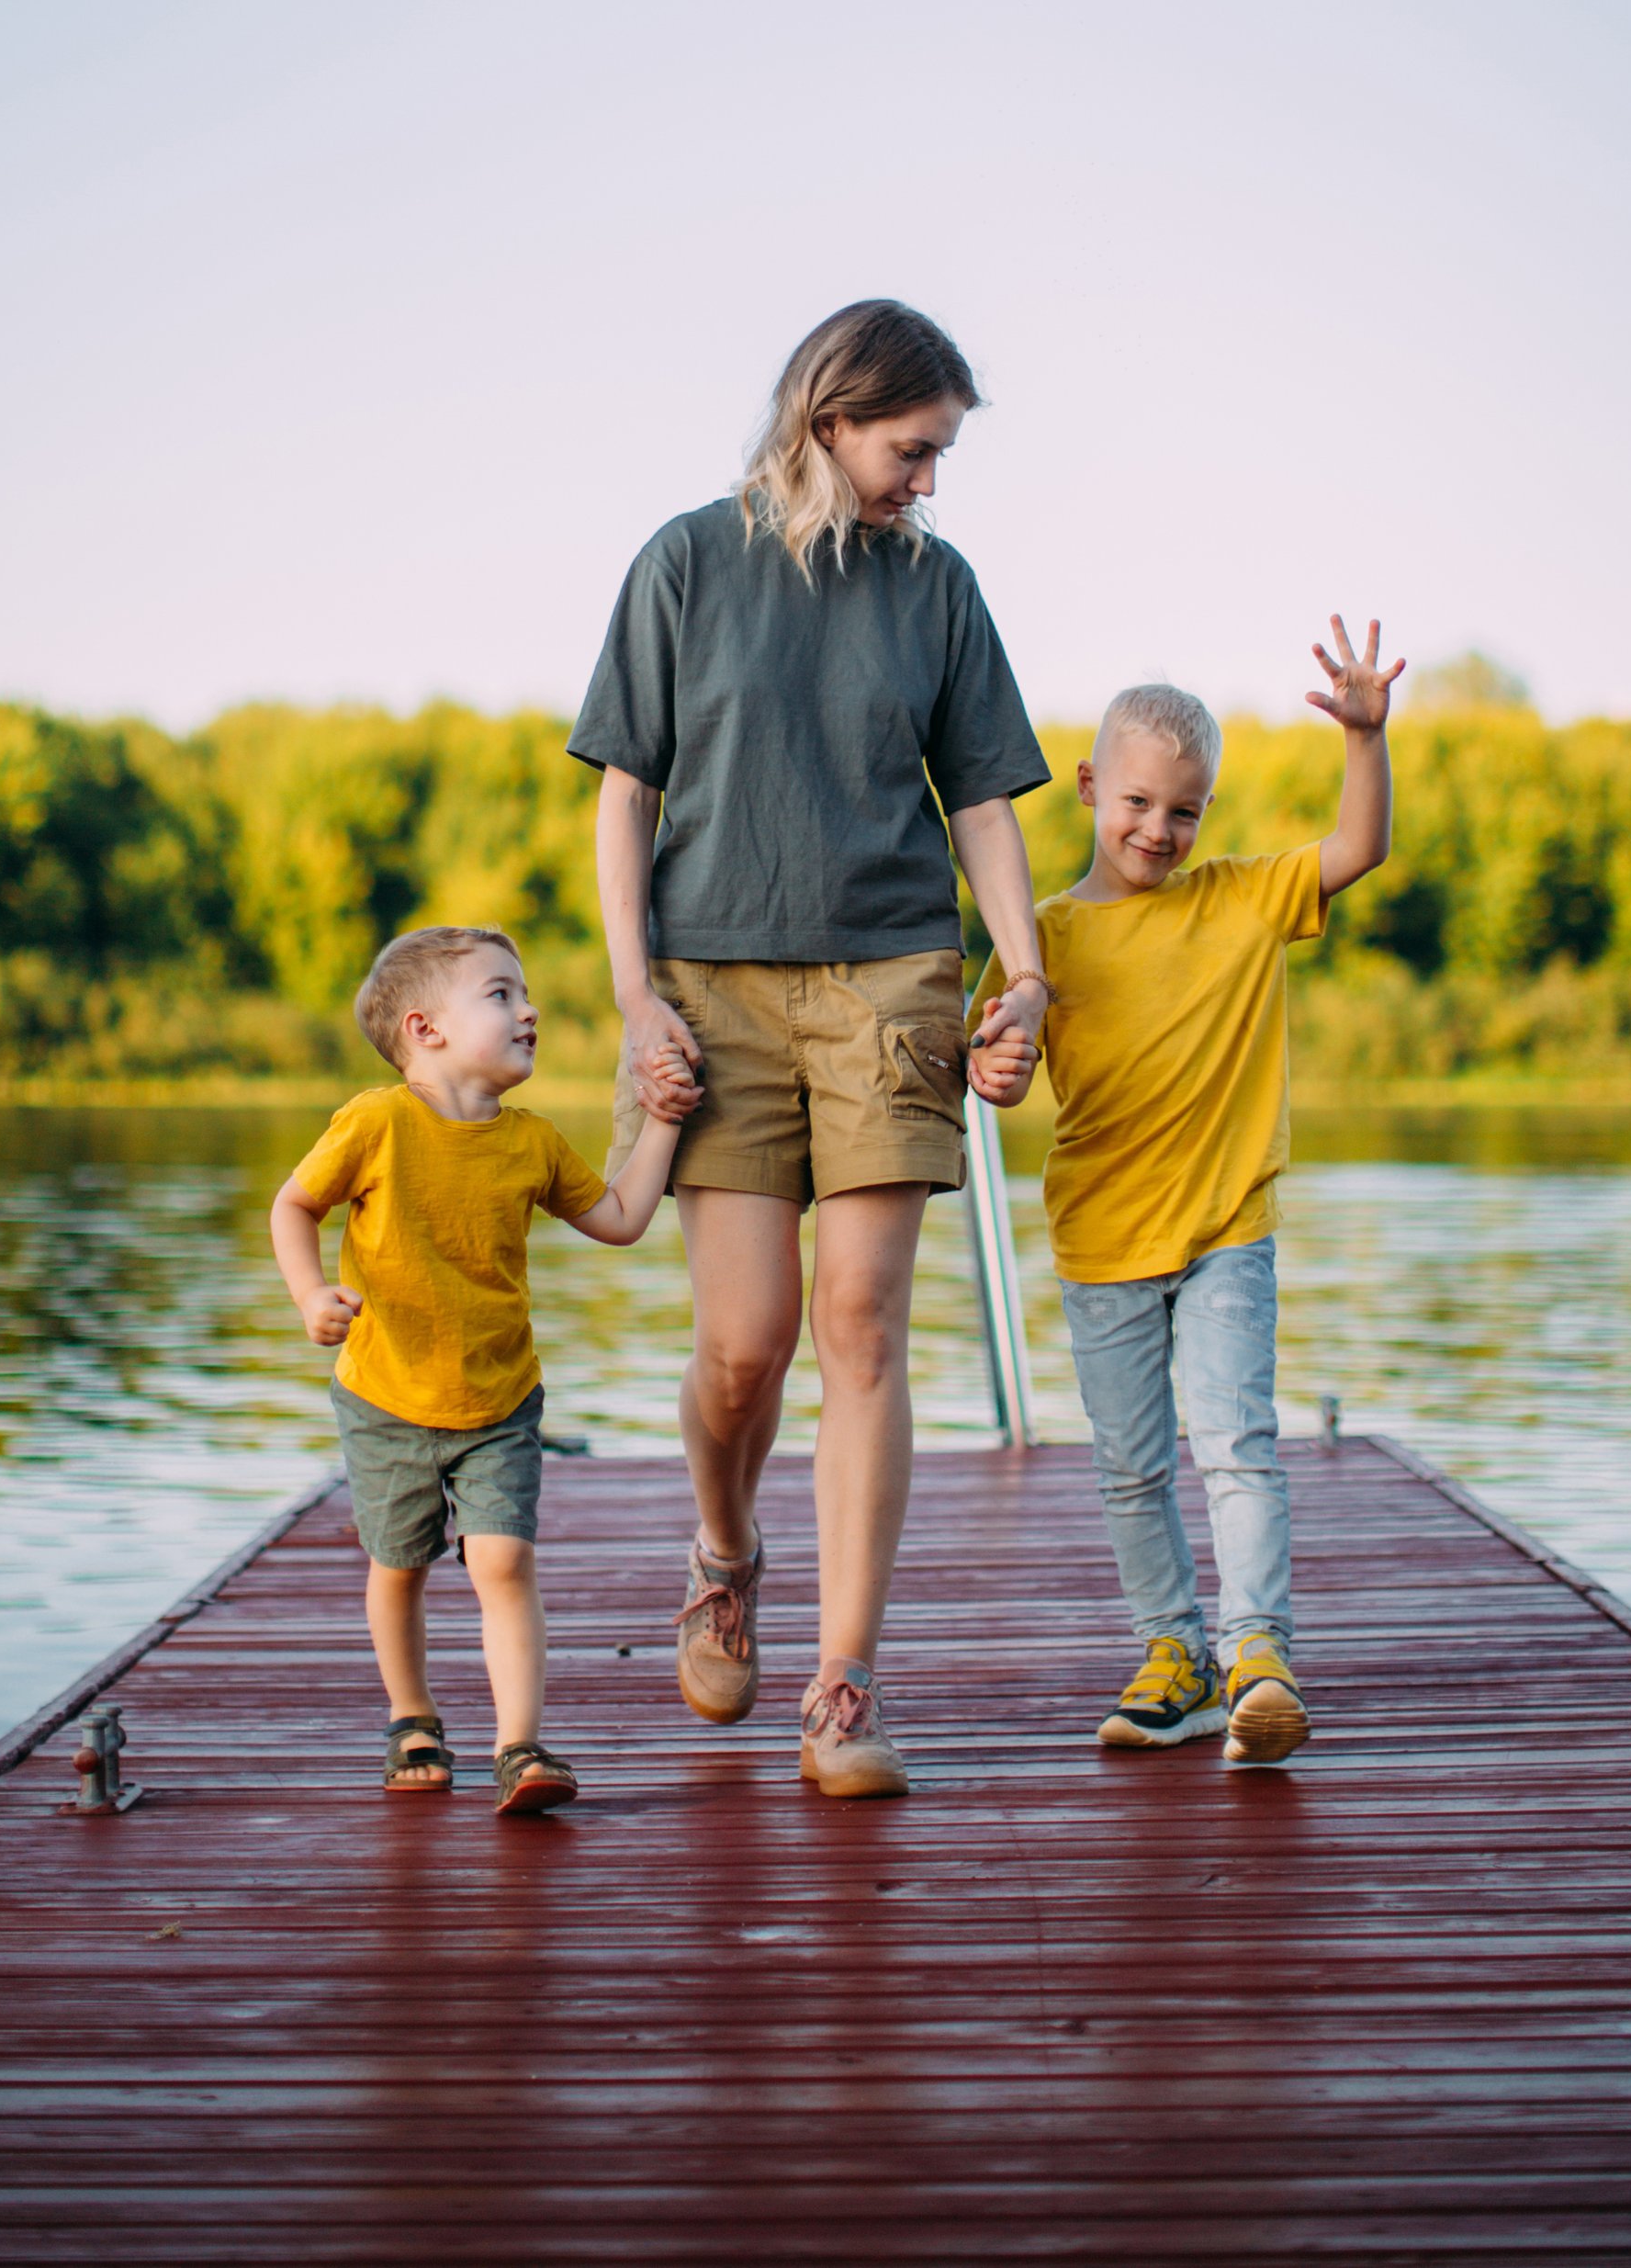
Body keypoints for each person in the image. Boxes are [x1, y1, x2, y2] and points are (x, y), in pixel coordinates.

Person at [570, 299, 1052, 1798]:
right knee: (743, 1346)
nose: (928, 478)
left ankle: (844, 1685)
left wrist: (1024, 973)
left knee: (862, 1323)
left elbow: (981, 800)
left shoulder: (939, 587)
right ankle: (725, 1549)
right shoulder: (685, 562)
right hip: (711, 985)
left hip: (891, 980)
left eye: (941, 454)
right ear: (833, 416)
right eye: (915, 448)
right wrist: (634, 994)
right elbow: (624, 797)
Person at [969, 617, 1404, 1766]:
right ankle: (1176, 1655)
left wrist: (1364, 739)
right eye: (1137, 805)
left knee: (1236, 1444)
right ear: (1088, 787)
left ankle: (1258, 1652)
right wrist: (996, 1060)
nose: (1158, 831)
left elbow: (1356, 847)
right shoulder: (1042, 936)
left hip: (1225, 1233)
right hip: (1102, 1239)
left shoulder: (1241, 900)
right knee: (1131, 1468)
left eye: (1184, 811)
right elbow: (1000, 1070)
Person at [269, 923, 681, 1814]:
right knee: (399, 1562)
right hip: (387, 1395)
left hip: (499, 1396)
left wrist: (661, 1123)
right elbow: (294, 1204)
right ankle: (412, 1716)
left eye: (524, 993)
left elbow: (618, 1218)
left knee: (503, 1559)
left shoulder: (528, 1143)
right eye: (500, 994)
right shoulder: (376, 1122)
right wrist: (310, 1296)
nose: (529, 1009)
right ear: (426, 1029)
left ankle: (519, 1745)